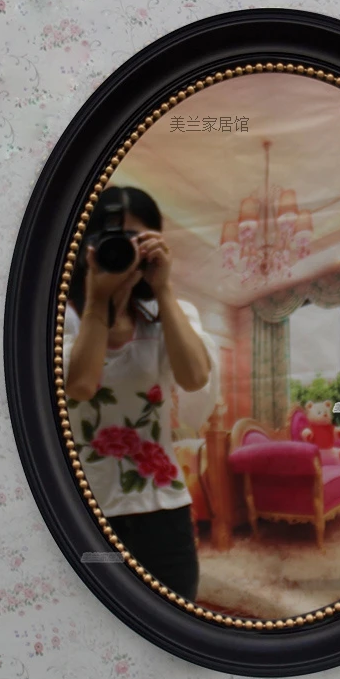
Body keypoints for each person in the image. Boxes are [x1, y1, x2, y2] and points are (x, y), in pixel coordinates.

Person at [62, 184, 219, 601]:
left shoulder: (171, 315)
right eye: (110, 238)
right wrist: (97, 302)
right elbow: (80, 386)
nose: (123, 250)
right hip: (86, 514)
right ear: (85, 245)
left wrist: (164, 289)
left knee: (174, 622)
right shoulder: (63, 320)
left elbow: (195, 377)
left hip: (165, 514)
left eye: (136, 240)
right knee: (94, 624)